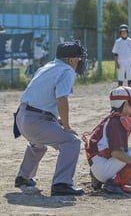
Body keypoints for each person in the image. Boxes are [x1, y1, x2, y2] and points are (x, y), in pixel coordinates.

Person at [14, 40, 88, 196]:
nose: (80, 61)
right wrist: (66, 126)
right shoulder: (67, 70)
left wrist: (57, 118)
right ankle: (62, 184)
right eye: (79, 57)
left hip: (22, 118)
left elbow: (41, 97)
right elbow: (61, 98)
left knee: (38, 144)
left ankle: (23, 177)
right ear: (71, 59)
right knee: (71, 141)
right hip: (35, 121)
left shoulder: (47, 67)